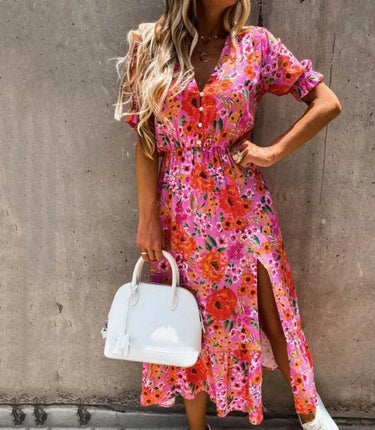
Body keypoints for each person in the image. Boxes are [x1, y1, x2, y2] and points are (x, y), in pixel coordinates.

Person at [114, 1, 342, 429]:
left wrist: (272, 152)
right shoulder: (151, 43)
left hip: (243, 208)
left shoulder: (256, 45)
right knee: (190, 317)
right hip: (178, 213)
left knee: (275, 313)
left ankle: (312, 416)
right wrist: (147, 219)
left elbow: (326, 103)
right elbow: (146, 142)